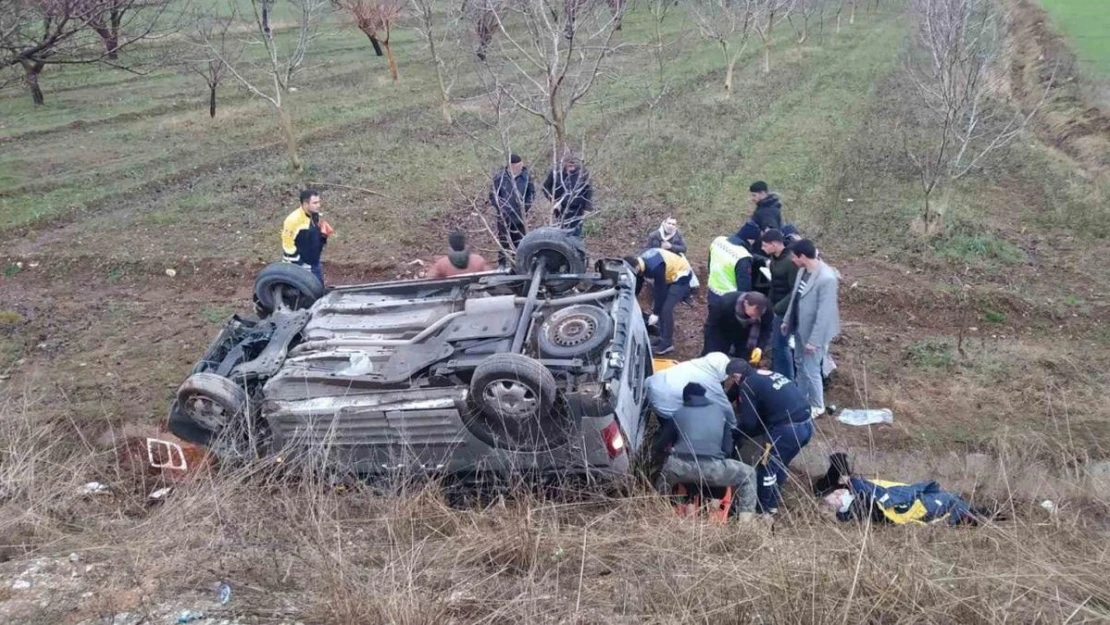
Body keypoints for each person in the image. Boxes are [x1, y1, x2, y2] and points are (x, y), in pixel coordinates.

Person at [653, 383, 757, 516]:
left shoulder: (677, 414)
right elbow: (727, 450)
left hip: (681, 468)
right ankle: (746, 524)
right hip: (714, 469)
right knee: (749, 475)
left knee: (663, 479)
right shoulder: (720, 413)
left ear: (685, 398)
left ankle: (659, 513)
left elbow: (661, 446)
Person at [725, 360, 814, 515]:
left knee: (767, 468)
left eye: (734, 378)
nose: (734, 381)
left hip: (787, 430)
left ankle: (761, 510)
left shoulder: (748, 385)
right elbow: (735, 393)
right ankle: (772, 504)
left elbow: (749, 423)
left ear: (737, 376)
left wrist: (734, 434)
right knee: (780, 465)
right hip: (807, 425)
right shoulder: (766, 375)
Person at [813, 455, 985, 526]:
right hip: (922, 506)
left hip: (918, 497)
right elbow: (872, 501)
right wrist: (853, 482)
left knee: (951, 501)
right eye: (836, 497)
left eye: (835, 493)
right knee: (954, 504)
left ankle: (980, 513)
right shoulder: (859, 506)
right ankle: (981, 515)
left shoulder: (852, 494)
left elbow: (838, 462)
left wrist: (843, 480)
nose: (839, 493)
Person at [781, 239, 839, 418]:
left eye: (794, 257)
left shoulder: (826, 278)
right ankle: (801, 397)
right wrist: (786, 320)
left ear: (803, 257)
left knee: (812, 369)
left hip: (815, 333)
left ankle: (817, 405)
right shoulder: (803, 271)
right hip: (799, 328)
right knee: (799, 363)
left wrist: (814, 340)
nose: (792, 260)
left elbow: (825, 314)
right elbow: (795, 298)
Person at [625, 248, 692, 355]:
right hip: (669, 275)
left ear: (636, 267)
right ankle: (661, 337)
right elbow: (639, 282)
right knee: (660, 307)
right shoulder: (639, 264)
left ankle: (667, 344)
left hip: (681, 276)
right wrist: (631, 298)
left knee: (666, 310)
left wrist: (655, 313)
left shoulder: (655, 267)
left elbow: (660, 291)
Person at [644, 352, 733, 421]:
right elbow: (725, 407)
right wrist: (733, 425)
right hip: (665, 403)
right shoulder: (710, 381)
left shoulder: (694, 364)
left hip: (651, 386)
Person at [760, 229, 800, 379]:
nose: (762, 248)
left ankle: (787, 378)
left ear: (775, 244)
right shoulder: (774, 260)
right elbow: (774, 285)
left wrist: (778, 308)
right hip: (776, 308)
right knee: (777, 346)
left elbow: (794, 291)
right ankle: (779, 374)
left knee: (781, 346)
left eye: (765, 245)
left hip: (786, 311)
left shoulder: (790, 262)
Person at [489, 153, 535, 268]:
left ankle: (519, 264)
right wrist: (500, 207)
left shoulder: (526, 177)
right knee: (504, 240)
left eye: (520, 165)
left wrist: (526, 207)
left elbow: (532, 193)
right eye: (516, 166)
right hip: (504, 216)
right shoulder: (500, 177)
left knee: (520, 241)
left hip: (520, 216)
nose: (519, 167)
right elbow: (493, 195)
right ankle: (503, 263)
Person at [282, 188, 333, 284]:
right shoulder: (293, 220)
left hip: (314, 262)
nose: (319, 205)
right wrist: (301, 265)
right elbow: (287, 245)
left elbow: (310, 237)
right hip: (300, 267)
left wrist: (323, 236)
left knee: (319, 291)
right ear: (305, 204)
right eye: (315, 203)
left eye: (318, 202)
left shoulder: (314, 214)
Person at [701, 291, 768, 358]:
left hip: (747, 333)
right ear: (746, 303)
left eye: (759, 315)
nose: (755, 318)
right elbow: (711, 328)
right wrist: (710, 349)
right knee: (716, 355)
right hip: (723, 329)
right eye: (752, 314)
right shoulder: (724, 304)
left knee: (744, 358)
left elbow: (765, 328)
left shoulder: (766, 309)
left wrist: (759, 347)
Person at [542, 155, 593, 238]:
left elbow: (588, 190)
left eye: (573, 164)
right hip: (560, 208)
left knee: (576, 233)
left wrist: (588, 207)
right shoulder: (556, 172)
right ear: (564, 164)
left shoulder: (583, 173)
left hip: (578, 208)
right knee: (561, 232)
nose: (571, 167)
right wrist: (554, 201)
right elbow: (545, 187)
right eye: (569, 165)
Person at [705, 226, 754, 310]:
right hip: (730, 299)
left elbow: (709, 265)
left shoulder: (718, 241)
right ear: (751, 241)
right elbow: (744, 288)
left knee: (712, 319)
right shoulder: (743, 256)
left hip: (712, 292)